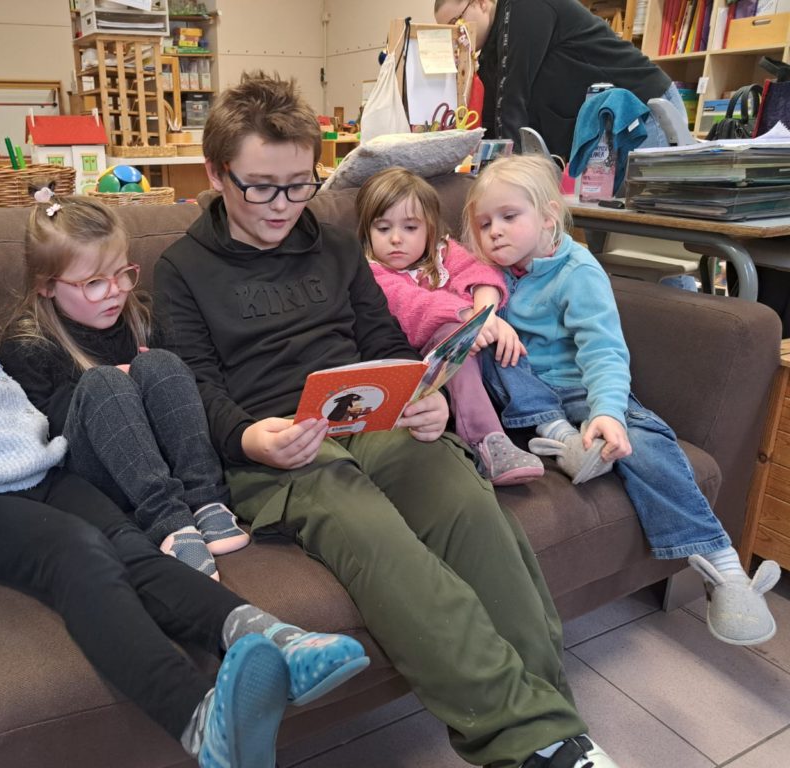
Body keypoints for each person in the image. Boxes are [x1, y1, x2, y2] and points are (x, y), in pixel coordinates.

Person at [0, 193, 370, 768]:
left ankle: (274, 639)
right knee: (77, 552)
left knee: (135, 549)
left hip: (41, 474)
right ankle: (198, 719)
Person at [154, 71, 621, 768]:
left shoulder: (336, 245)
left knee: (466, 505)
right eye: (261, 187)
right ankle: (531, 744)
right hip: (277, 445)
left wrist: (421, 394)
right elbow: (190, 385)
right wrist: (248, 436)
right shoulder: (182, 269)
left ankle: (556, 727)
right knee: (376, 539)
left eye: (299, 185)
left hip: (371, 416)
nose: (282, 206)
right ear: (218, 174)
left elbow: (383, 341)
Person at [463, 155, 781, 646]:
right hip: (521, 397)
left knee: (641, 441)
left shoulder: (578, 271)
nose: (495, 233)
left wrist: (607, 412)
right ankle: (561, 437)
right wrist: (484, 315)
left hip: (580, 388)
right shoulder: (486, 271)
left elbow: (604, 351)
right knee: (483, 347)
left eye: (509, 217)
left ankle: (725, 570)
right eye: (484, 224)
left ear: (548, 216)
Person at [0, 193, 248, 581]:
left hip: (162, 460)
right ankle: (169, 521)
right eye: (95, 282)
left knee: (161, 362)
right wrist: (117, 383)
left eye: (123, 273)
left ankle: (206, 500)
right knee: (104, 381)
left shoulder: (142, 317)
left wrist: (143, 377)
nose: (115, 290)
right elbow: (39, 437)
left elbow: (179, 403)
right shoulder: (28, 343)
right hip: (92, 475)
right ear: (47, 285)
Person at [356, 166, 543, 485]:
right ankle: (485, 441)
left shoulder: (442, 251)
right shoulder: (369, 271)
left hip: (469, 349)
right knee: (454, 337)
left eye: (410, 227)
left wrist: (487, 317)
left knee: (502, 337)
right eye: (383, 228)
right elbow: (412, 305)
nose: (396, 238)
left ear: (430, 229)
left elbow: (481, 273)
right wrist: (468, 319)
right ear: (366, 232)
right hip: (422, 367)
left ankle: (547, 420)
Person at [433, 0, 686, 157]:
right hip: (605, 125)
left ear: (480, 2)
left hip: (642, 108)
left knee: (637, 219)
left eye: (457, 22)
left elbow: (512, 99)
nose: (456, 36)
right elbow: (492, 118)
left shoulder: (524, 7)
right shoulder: (491, 51)